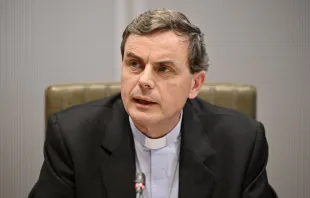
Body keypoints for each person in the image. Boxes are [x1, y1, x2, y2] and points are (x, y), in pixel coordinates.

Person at [29, 9, 277, 198]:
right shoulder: (73, 137)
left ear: (195, 84)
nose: (144, 81)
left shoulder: (241, 143)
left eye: (164, 68)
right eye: (134, 64)